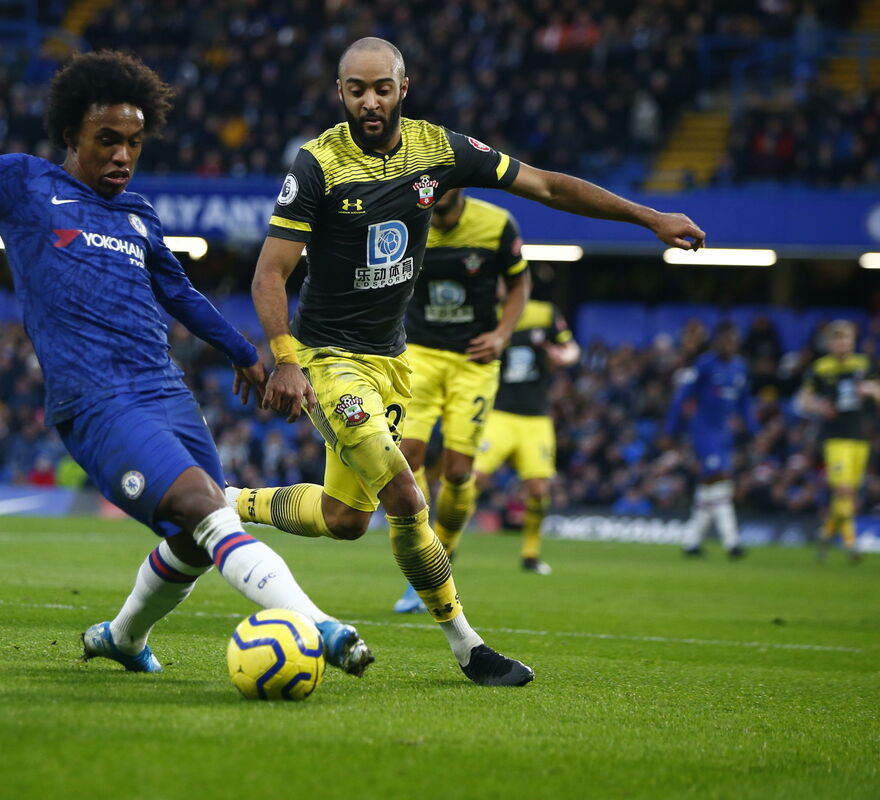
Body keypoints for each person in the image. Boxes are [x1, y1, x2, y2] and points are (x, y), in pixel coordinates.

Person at [0, 51, 373, 677]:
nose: (123, 156)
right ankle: (319, 626)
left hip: (167, 393)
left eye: (134, 143)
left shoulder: (139, 215)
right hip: (97, 401)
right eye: (107, 140)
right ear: (71, 135)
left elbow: (181, 294)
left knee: (195, 537)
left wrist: (247, 355)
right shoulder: (23, 183)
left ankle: (123, 638)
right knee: (201, 506)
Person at [229, 37, 705, 686]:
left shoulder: (440, 149)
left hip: (391, 359)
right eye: (356, 90)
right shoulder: (318, 164)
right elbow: (269, 274)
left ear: (403, 88)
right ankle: (468, 647)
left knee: (345, 519)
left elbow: (546, 185)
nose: (370, 101)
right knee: (406, 493)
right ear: (340, 92)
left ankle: (226, 503)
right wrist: (286, 360)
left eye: (382, 88)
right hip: (329, 357)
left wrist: (648, 217)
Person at [389, 187, 531, 614]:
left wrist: (502, 334)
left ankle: (445, 553)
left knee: (457, 471)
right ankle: (424, 563)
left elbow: (519, 283)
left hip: (474, 361)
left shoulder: (496, 224)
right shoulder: (407, 219)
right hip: (420, 353)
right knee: (406, 457)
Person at [472, 297, 579, 578]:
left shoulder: (544, 312)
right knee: (473, 479)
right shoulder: (490, 313)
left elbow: (571, 349)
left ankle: (531, 554)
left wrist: (564, 357)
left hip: (535, 418)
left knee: (539, 490)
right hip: (499, 414)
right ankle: (446, 546)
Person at [663, 321, 757, 558]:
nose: (728, 345)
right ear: (716, 342)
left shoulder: (740, 367)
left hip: (725, 432)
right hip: (705, 430)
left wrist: (753, 429)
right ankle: (732, 542)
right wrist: (671, 430)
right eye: (724, 341)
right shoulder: (704, 364)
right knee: (721, 478)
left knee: (709, 486)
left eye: (732, 341)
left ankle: (691, 542)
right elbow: (682, 397)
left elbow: (745, 402)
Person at [797, 320, 880, 564]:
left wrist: (872, 391)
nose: (842, 343)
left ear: (852, 341)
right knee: (843, 490)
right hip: (834, 438)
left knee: (849, 494)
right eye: (837, 339)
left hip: (860, 437)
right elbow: (804, 401)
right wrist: (819, 407)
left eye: (846, 339)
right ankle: (852, 545)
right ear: (830, 343)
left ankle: (825, 535)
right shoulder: (820, 368)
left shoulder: (864, 364)